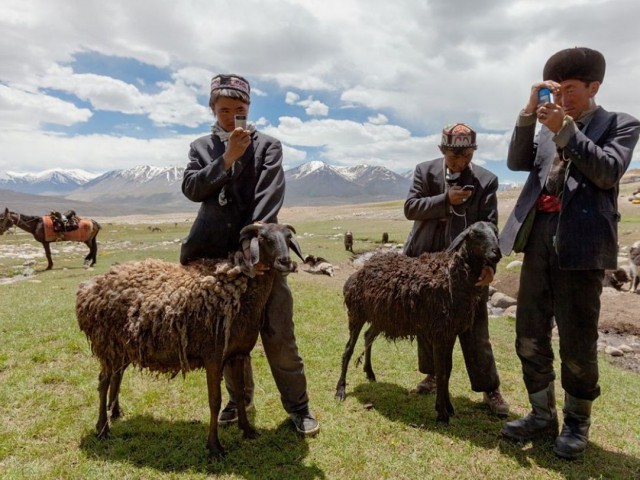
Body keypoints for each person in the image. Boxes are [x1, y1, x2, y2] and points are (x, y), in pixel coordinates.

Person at [499, 47, 640, 459]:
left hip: (582, 246)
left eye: (571, 90)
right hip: (538, 238)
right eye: (555, 91)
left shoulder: (620, 124)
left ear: (594, 87)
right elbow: (515, 161)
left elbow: (607, 171)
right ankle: (541, 415)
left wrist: (566, 130)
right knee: (528, 332)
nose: (561, 100)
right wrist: (529, 113)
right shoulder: (546, 126)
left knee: (578, 340)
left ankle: (577, 425)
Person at [180, 73, 319, 436]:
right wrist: (227, 158)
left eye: (239, 109)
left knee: (277, 331)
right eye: (224, 109)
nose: (231, 116)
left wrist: (253, 244)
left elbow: (269, 198)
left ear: (249, 109)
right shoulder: (200, 147)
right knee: (225, 336)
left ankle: (299, 407)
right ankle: (238, 399)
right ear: (212, 108)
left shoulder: (269, 146)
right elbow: (193, 189)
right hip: (213, 259)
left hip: (259, 254)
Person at [403, 123, 509, 418]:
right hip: (425, 263)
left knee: (475, 326)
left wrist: (489, 265)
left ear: (473, 152)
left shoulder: (486, 180)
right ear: (442, 151)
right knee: (427, 321)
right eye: (453, 157)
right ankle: (432, 374)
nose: (459, 163)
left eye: (466, 157)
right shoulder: (425, 172)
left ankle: (489, 388)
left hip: (467, 269)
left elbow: (490, 226)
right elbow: (411, 208)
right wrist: (445, 201)